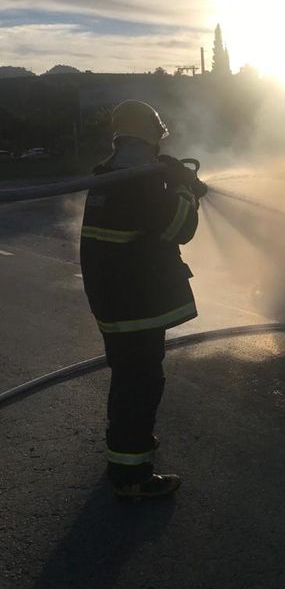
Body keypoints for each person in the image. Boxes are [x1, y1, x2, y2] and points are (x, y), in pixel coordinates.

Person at [80, 99, 207, 499]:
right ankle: (131, 475)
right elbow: (179, 227)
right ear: (152, 135)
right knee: (141, 385)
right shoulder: (139, 180)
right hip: (134, 306)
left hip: (113, 304)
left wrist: (170, 182)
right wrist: (184, 188)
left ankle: (126, 452)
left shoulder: (109, 176)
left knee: (129, 382)